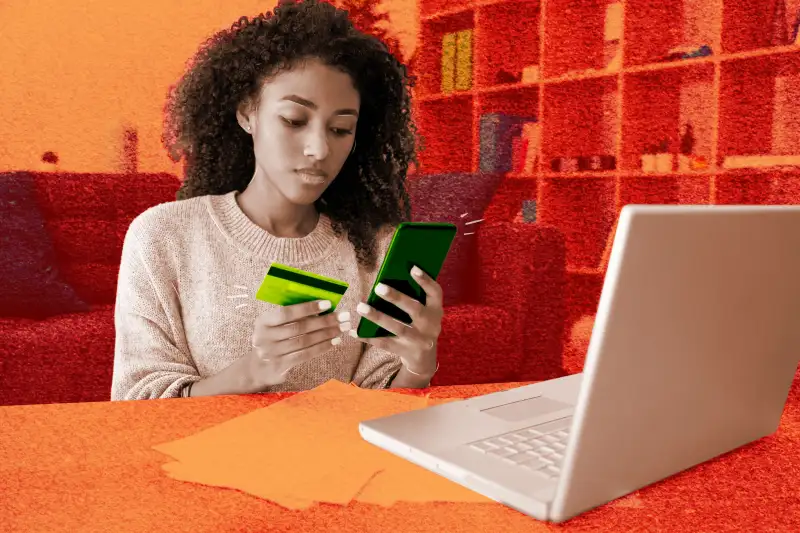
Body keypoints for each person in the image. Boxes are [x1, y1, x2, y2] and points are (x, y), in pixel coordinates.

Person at [110, 0, 444, 400]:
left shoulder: (375, 248)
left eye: (340, 129)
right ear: (247, 113)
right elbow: (136, 403)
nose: (319, 149)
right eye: (294, 120)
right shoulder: (163, 236)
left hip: (339, 457)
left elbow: (381, 402)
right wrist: (254, 372)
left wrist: (418, 364)